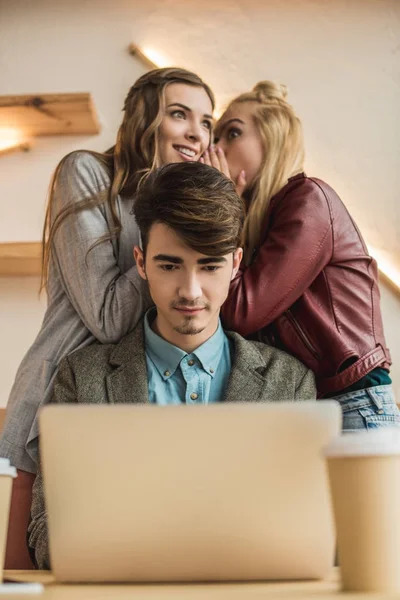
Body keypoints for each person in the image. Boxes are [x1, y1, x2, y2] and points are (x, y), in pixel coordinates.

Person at [28, 161, 316, 569]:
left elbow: (311, 529)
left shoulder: (288, 383)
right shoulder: (81, 377)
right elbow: (46, 536)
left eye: (210, 265)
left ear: (236, 264)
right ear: (141, 263)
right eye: (169, 265)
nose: (190, 290)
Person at [0, 67, 215, 568]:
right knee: (20, 579)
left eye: (206, 122)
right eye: (179, 114)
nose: (196, 134)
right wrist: (166, 213)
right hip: (51, 402)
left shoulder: (176, 199)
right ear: (144, 118)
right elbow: (107, 317)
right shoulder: (86, 173)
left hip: (127, 409)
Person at [203, 80, 400, 432]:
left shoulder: (307, 200)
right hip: (308, 407)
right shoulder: (261, 224)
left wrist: (222, 208)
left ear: (273, 138)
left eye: (231, 133)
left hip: (352, 403)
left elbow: (239, 310)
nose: (215, 147)